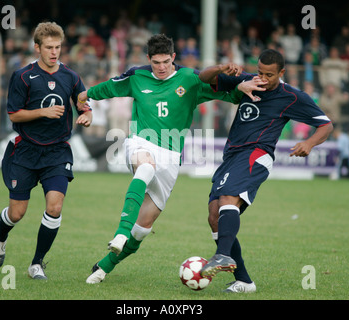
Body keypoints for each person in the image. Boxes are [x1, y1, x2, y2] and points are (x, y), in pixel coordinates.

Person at [76, 34, 247, 284]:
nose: (162, 67)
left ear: (173, 57)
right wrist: (85, 98)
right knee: (144, 167)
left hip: (170, 158)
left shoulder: (189, 79)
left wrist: (242, 89)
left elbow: (226, 93)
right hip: (140, 142)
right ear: (149, 59)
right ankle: (120, 233)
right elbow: (104, 89)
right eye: (156, 62)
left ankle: (103, 267)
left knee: (143, 228)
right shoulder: (136, 76)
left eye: (166, 61)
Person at [198, 49, 333, 293]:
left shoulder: (292, 97)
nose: (263, 78)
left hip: (257, 154)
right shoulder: (247, 81)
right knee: (214, 216)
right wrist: (220, 68)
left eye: (269, 74)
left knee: (229, 198)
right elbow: (203, 79)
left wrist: (309, 143)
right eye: (260, 72)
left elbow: (325, 124)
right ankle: (244, 282)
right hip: (231, 155)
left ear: (281, 73)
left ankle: (221, 255)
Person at [0, 22, 92, 280]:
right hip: (26, 151)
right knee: (17, 213)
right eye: (49, 47)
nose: (54, 52)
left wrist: (87, 114)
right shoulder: (23, 76)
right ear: (37, 48)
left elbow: (83, 104)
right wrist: (42, 112)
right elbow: (14, 114)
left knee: (55, 207)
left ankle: (36, 264)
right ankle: (0, 238)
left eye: (58, 47)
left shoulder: (71, 76)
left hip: (57, 152)